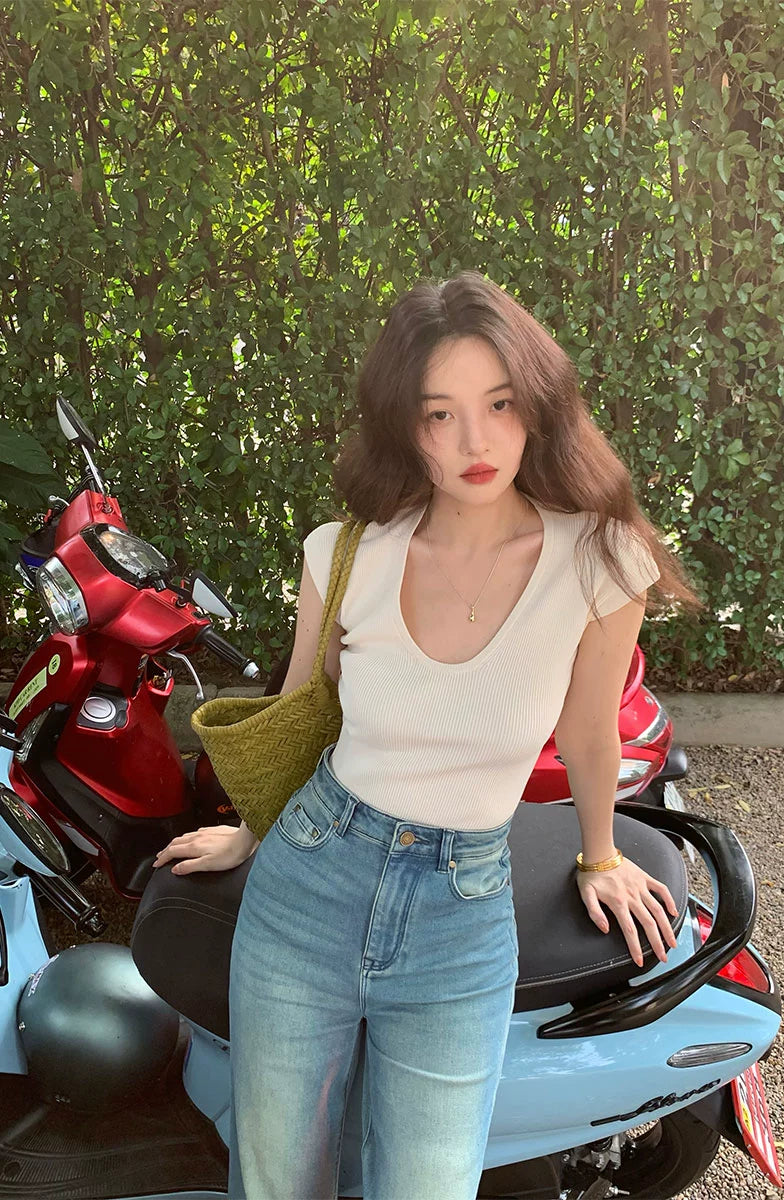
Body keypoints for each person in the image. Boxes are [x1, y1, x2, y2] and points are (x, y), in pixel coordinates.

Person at [153, 270, 700, 1200]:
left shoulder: (602, 558)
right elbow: (302, 716)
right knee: (276, 1181)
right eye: (440, 413)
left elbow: (588, 731)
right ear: (405, 426)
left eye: (499, 404)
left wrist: (602, 853)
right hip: (309, 881)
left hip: (462, 913)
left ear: (539, 406)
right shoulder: (346, 552)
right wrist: (250, 830)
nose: (474, 441)